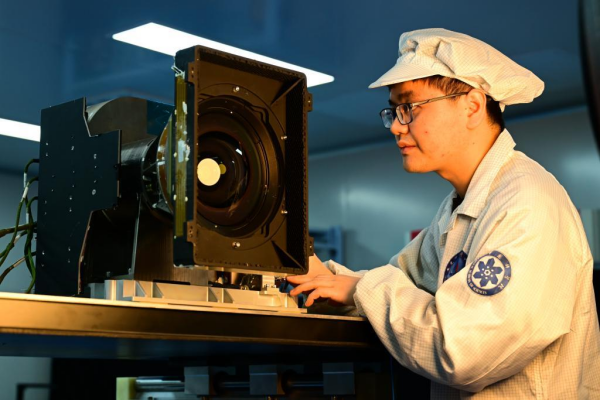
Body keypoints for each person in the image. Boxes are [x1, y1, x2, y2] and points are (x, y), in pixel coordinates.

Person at [287, 28, 600, 398]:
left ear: (472, 106)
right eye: (393, 111)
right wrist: (321, 277)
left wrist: (362, 289)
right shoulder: (459, 209)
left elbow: (462, 352)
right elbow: (398, 284)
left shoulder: (526, 203)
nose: (396, 126)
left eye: (409, 108)